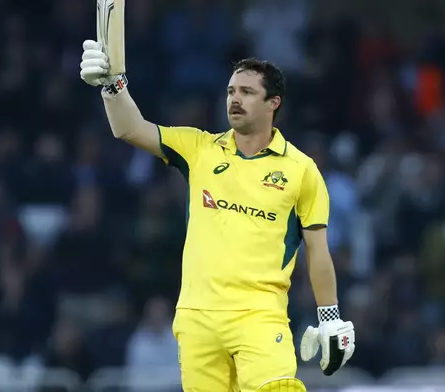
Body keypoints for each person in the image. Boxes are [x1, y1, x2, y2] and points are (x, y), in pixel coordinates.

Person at [79, 39, 355, 391]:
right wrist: (112, 87)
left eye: (247, 92)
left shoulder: (301, 170)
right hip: (197, 319)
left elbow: (318, 251)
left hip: (259, 316)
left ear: (274, 103)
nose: (234, 99)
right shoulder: (199, 148)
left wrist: (329, 316)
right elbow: (129, 128)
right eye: (230, 91)